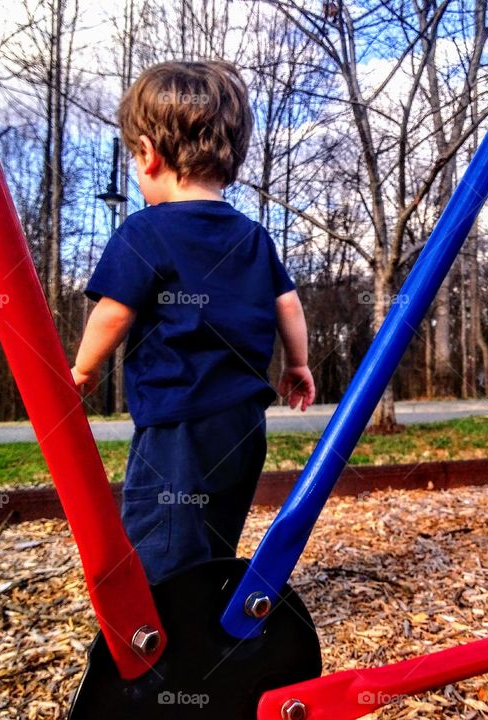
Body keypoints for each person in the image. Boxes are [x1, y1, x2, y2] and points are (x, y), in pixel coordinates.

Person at [71, 60, 315, 584]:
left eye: (135, 161)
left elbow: (113, 311)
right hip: (244, 424)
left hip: (177, 420)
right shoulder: (252, 235)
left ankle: (168, 639)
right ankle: (209, 617)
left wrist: (83, 369)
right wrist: (297, 363)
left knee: (161, 540)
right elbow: (288, 304)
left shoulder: (144, 231)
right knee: (215, 529)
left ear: (149, 154)